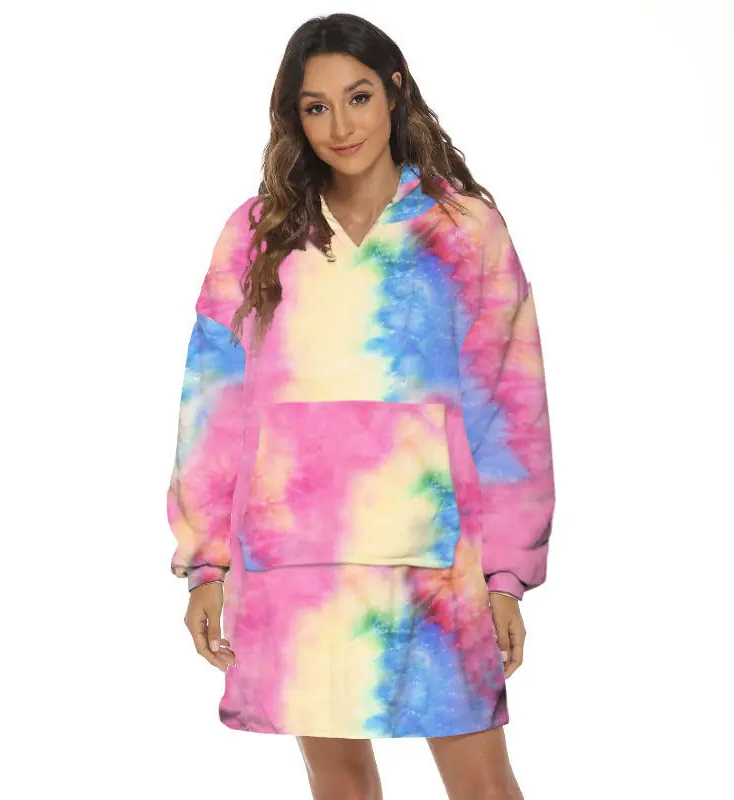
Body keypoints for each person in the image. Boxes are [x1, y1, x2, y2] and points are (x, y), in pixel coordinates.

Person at [165, 12, 555, 800]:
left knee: (483, 783)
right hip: (296, 558)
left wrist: (507, 576)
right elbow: (214, 404)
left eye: (359, 97)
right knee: (339, 785)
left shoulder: (463, 229)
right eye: (316, 107)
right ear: (294, 116)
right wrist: (205, 563)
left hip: (433, 557)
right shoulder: (260, 234)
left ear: (395, 92)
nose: (341, 126)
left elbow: (510, 405)